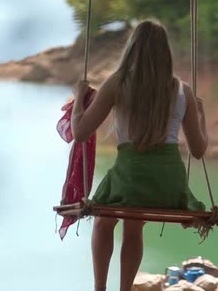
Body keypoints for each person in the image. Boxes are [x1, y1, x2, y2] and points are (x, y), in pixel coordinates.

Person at [70, 19, 208, 291]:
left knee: (103, 222)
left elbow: (81, 132)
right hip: (169, 187)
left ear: (132, 49)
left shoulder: (117, 83)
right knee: (134, 225)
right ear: (165, 52)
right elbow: (198, 150)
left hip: (130, 178)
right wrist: (201, 116)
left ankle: (99, 289)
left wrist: (78, 99)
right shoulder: (183, 91)